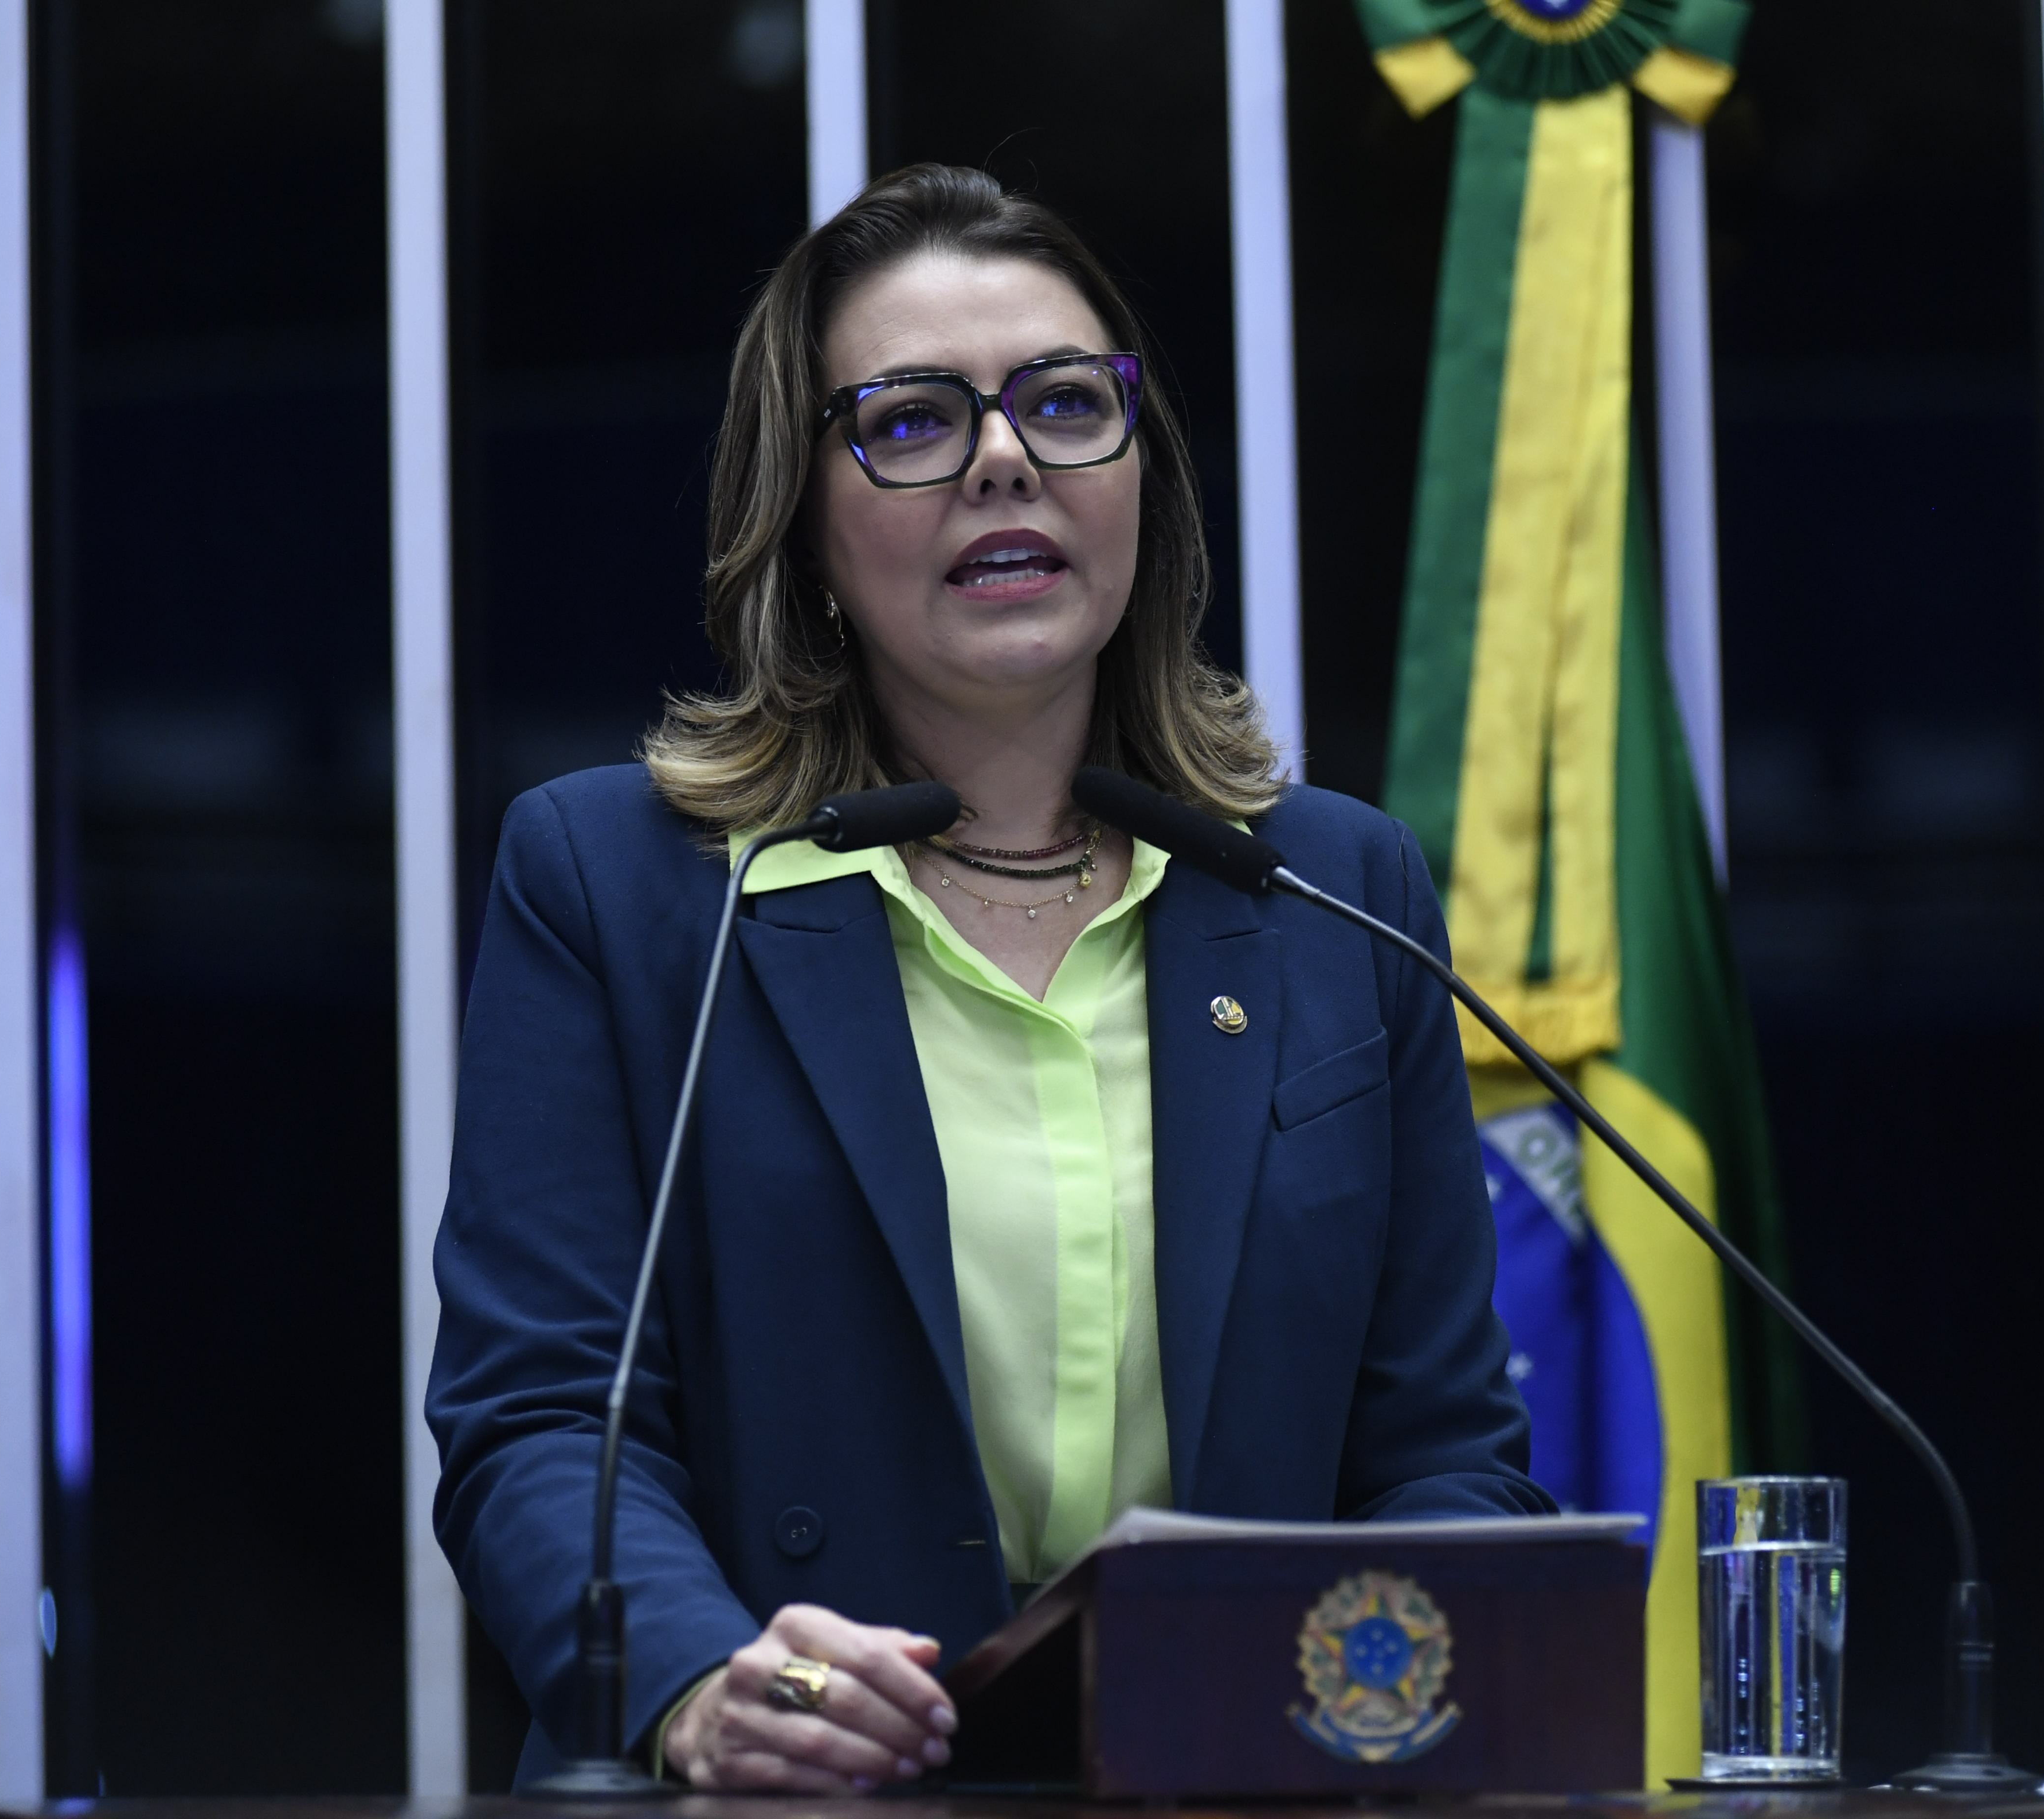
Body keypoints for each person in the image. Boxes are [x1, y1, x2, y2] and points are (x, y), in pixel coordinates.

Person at [427, 163, 1552, 1794]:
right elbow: (542, 1417)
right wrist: (691, 1680)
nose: (1008, 460)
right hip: (785, 1792)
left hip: (1231, 1780)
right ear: (803, 521)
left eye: (1064, 403)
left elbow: (1446, 1453)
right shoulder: (625, 886)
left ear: (1140, 477)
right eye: (911, 422)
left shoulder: (1329, 891)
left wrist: (1355, 1695)